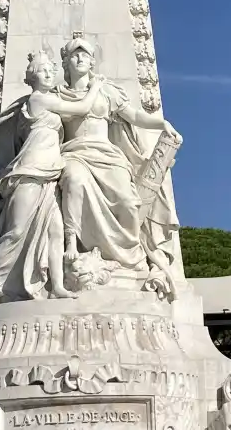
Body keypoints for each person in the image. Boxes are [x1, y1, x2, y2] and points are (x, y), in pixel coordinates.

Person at [0, 50, 95, 307]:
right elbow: (82, 108)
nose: (48, 74)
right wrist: (96, 86)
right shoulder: (38, 100)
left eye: (50, 70)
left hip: (50, 175)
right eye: (42, 71)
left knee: (56, 232)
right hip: (29, 173)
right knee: (15, 231)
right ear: (32, 77)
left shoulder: (45, 101)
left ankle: (57, 286)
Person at [57, 37, 178, 285]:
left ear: (92, 62)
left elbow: (133, 115)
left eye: (84, 55)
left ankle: (129, 260)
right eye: (74, 55)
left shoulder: (106, 91)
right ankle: (71, 246)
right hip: (75, 153)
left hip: (107, 155)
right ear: (66, 62)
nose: (80, 59)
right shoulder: (59, 94)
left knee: (128, 202)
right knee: (74, 181)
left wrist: (161, 123)